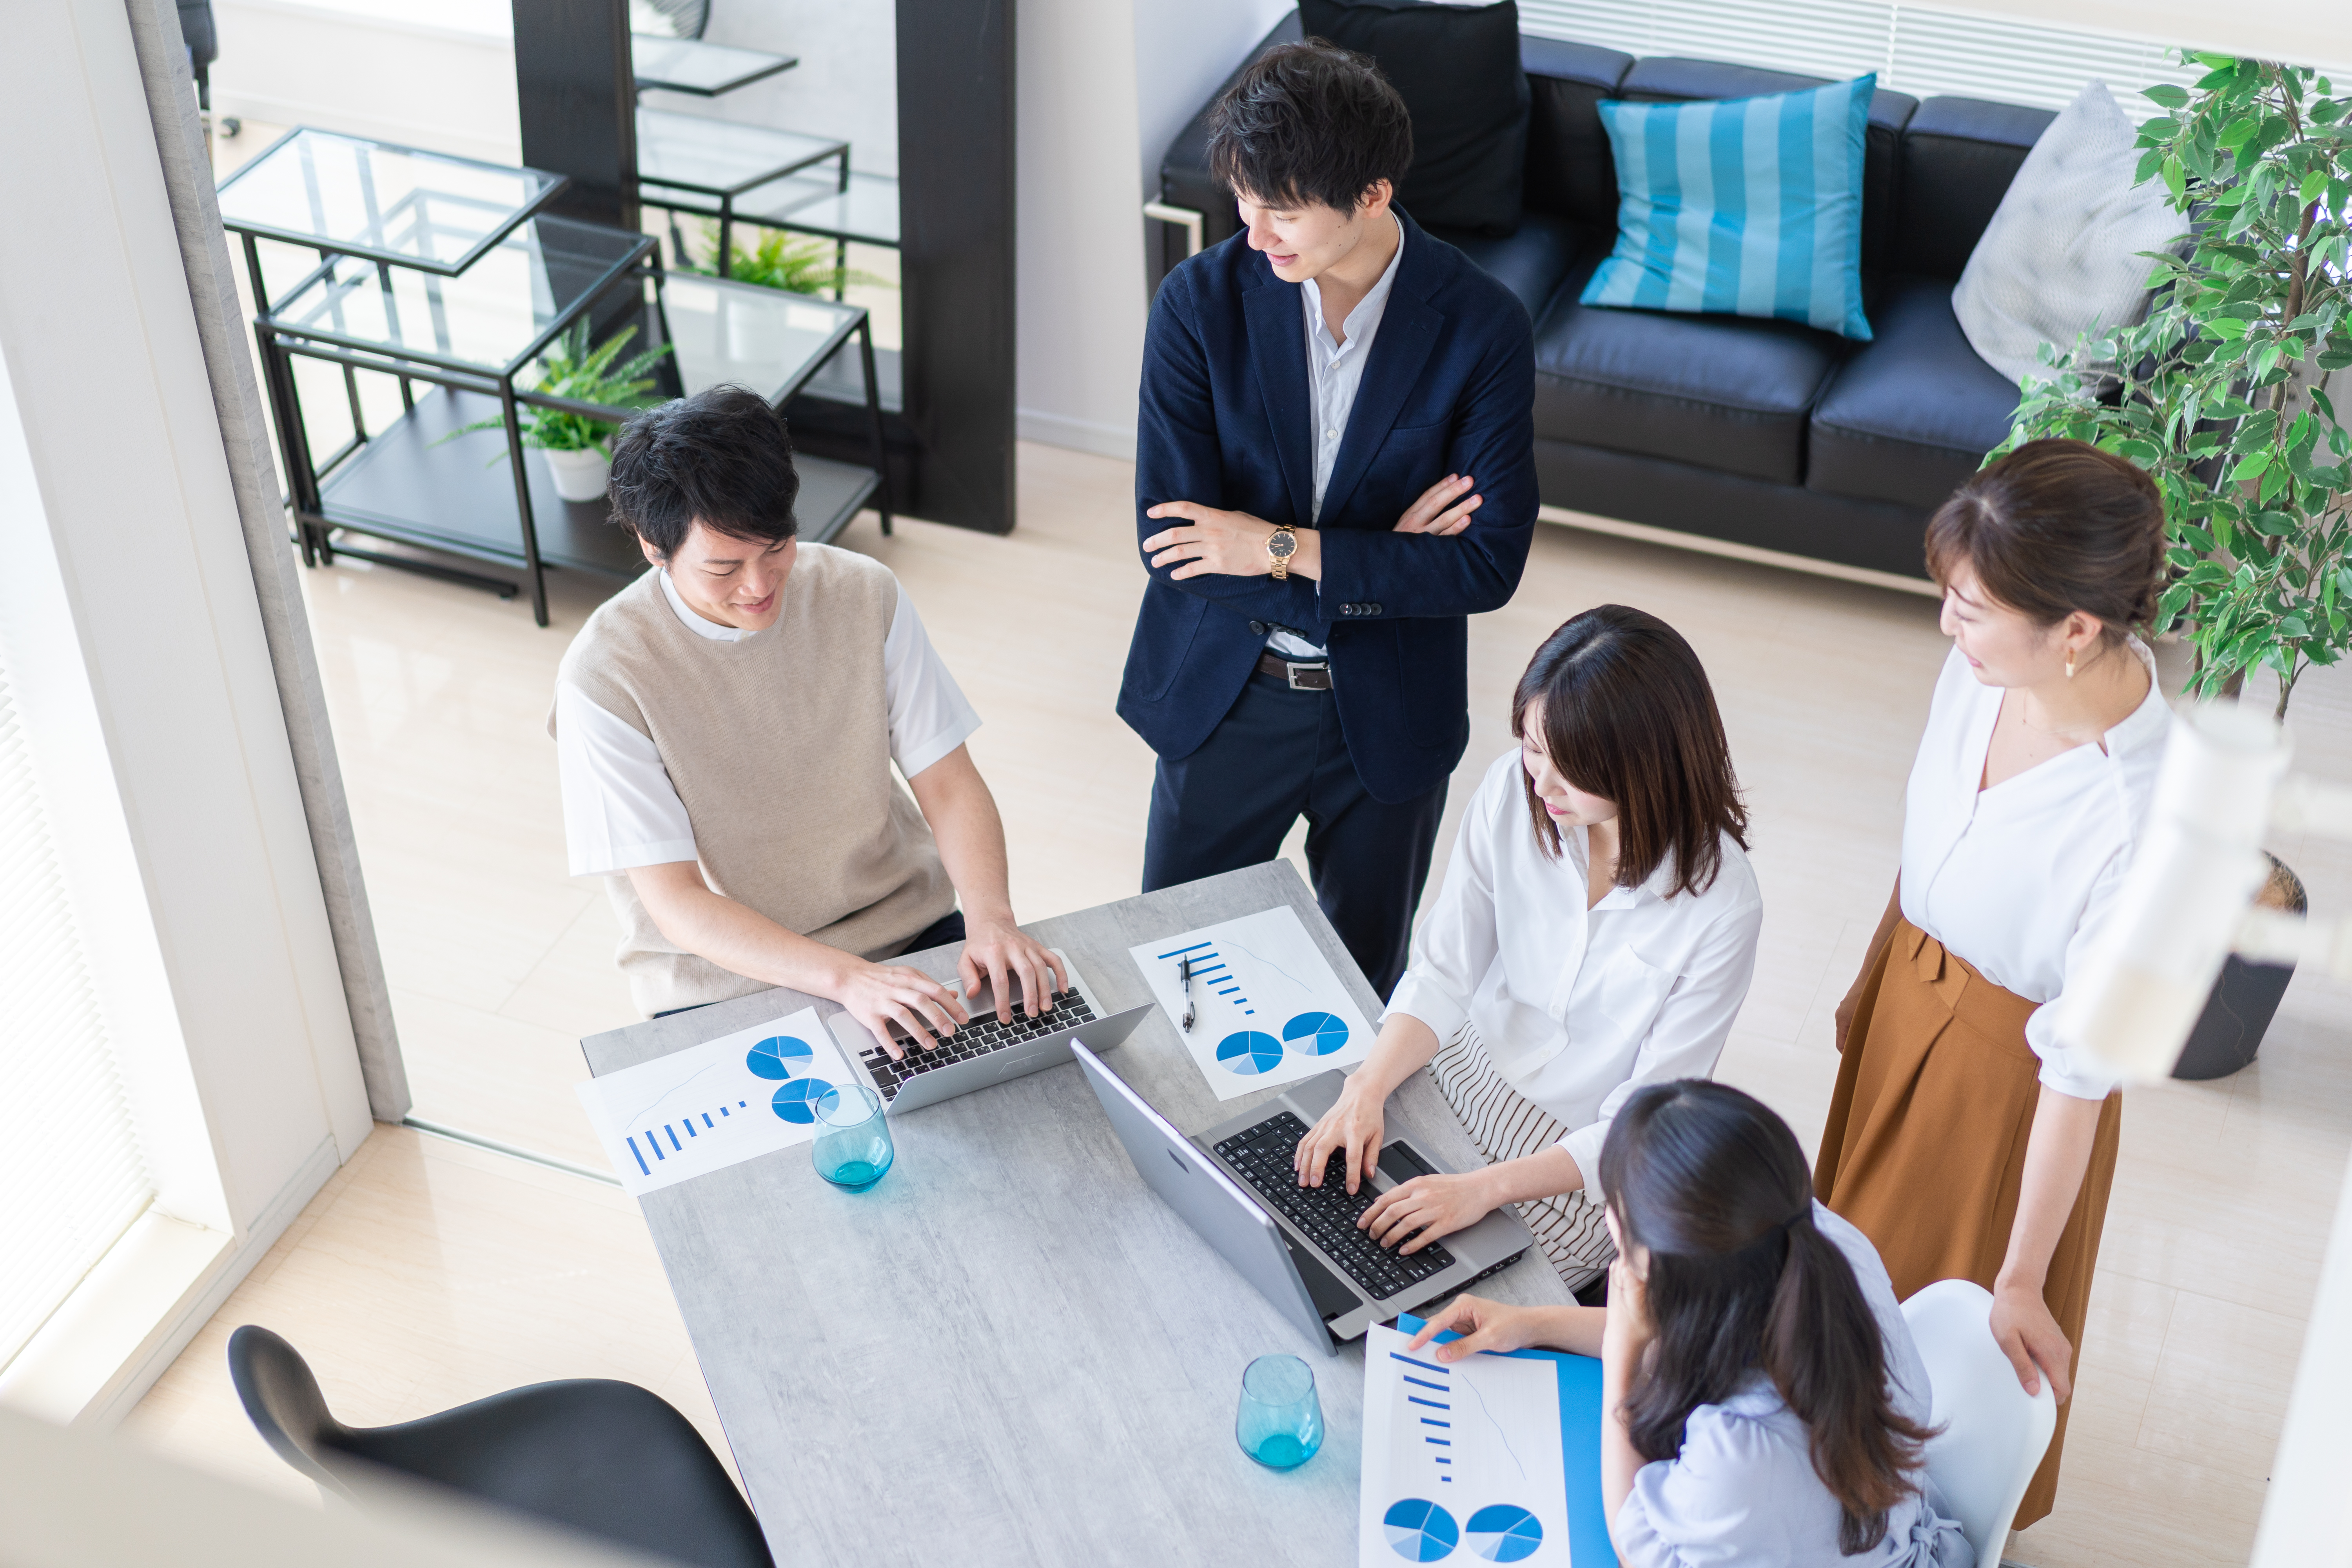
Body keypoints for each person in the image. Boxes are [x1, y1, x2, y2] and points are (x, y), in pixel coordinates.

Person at [1120, 40, 1538, 998]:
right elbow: (1175, 546)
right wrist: (1385, 562)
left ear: (1374, 195)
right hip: (1227, 697)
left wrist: (1276, 547)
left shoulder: (1481, 327)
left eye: (1286, 208)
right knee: (1178, 968)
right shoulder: (1198, 304)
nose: (1257, 231)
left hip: (1387, 715)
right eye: (1244, 198)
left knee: (1357, 988)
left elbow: (1487, 567)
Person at [1814, 437, 2171, 1529]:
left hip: (2004, 1085)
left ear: (2075, 628)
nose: (1946, 628)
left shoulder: (2144, 819)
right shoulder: (1984, 664)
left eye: (1971, 610)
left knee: (1931, 1339)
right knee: (1833, 1289)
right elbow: (1936, 832)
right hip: (1910, 996)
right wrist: (1878, 981)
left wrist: (2023, 1274)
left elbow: (2080, 1077)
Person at [550, 387, 1065, 1047]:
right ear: (654, 547)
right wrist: (847, 980)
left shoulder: (861, 592)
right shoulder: (605, 675)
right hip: (720, 976)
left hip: (900, 924)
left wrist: (992, 919)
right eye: (724, 568)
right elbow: (677, 903)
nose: (760, 585)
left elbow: (949, 782)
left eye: (776, 547)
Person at [1294, 606, 1761, 1292]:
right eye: (1532, 745)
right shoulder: (1514, 792)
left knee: (1432, 1302)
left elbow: (1644, 1124)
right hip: (1458, 1070)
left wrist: (1482, 1190)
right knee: (1312, 1224)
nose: (1541, 781)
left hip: (1574, 1165)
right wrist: (1365, 1086)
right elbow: (1444, 971)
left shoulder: (1722, 904)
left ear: (1645, 765)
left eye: (1570, 767)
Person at [1410, 1081, 1973, 1568]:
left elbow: (1642, 1550)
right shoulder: (1815, 1241)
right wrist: (1533, 1324)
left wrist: (1625, 1353)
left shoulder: (1743, 1451)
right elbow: (1696, 1331)